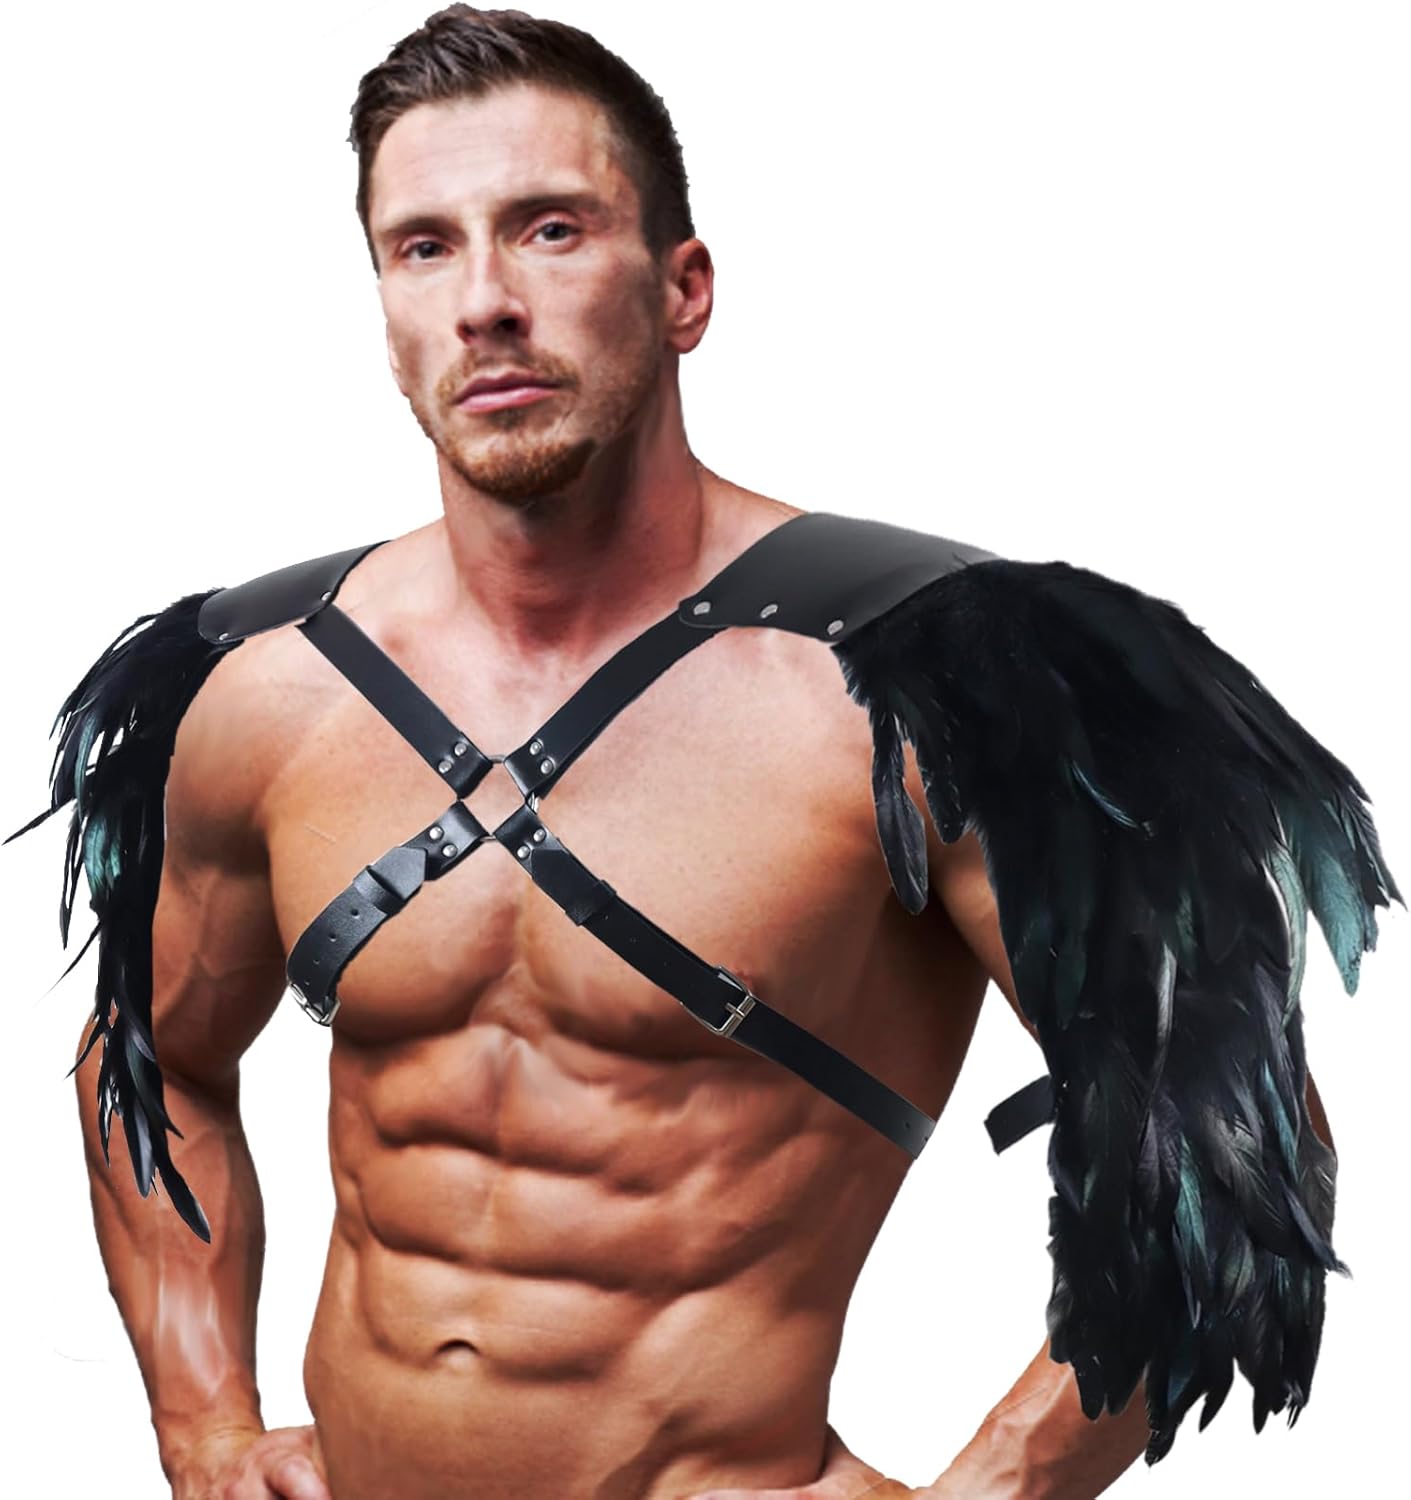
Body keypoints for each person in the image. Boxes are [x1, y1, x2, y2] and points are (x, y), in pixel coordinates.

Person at [5, 7, 1397, 1500]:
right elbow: (152, 1060)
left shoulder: (932, 693)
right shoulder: (265, 688)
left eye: (550, 230)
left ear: (684, 289)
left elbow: (1235, 1149)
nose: (486, 302)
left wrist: (992, 1492)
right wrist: (205, 1430)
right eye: (424, 248)